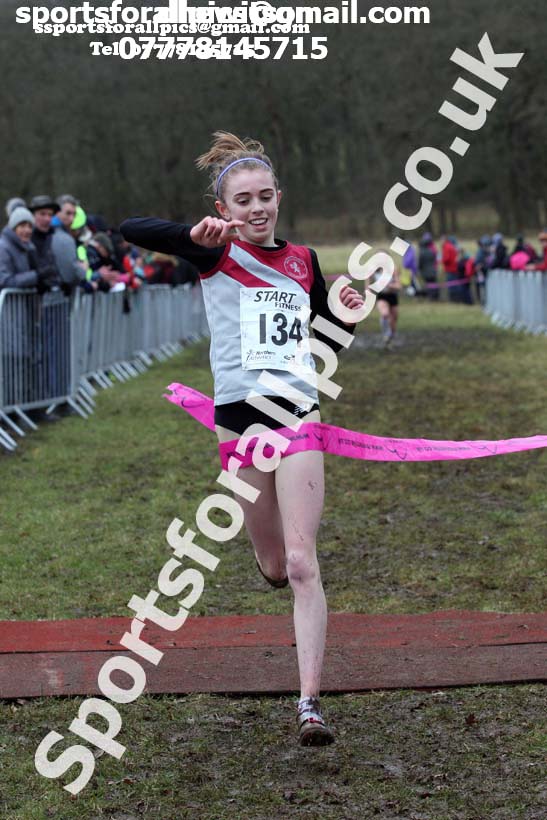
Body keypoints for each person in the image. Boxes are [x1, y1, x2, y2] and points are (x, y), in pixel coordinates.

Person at [121, 131, 364, 747]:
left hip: (298, 414)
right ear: (225, 207)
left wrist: (347, 313)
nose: (256, 209)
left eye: (264, 197)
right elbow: (131, 227)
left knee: (306, 562)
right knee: (276, 563)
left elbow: (323, 333)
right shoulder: (215, 252)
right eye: (242, 200)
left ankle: (309, 703)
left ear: (279, 197)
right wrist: (190, 237)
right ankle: (272, 568)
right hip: (240, 426)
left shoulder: (304, 261)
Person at [375, 261, 402, 347]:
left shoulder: (393, 270)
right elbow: (366, 279)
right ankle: (386, 334)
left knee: (393, 321)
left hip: (393, 296)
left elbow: (399, 286)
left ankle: (390, 338)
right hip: (382, 296)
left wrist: (389, 285)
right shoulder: (374, 270)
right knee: (385, 314)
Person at [418, 232, 439, 300]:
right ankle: (435, 297)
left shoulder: (422, 253)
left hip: (426, 271)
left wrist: (420, 269)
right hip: (433, 270)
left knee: (429, 284)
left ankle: (431, 297)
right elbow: (434, 260)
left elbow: (420, 263)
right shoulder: (431, 251)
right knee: (434, 283)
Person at [442, 235, 459, 302]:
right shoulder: (452, 246)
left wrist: (442, 261)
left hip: (450, 269)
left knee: (451, 285)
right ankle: (456, 299)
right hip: (454, 268)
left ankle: (453, 300)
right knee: (454, 284)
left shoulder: (447, 246)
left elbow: (446, 258)